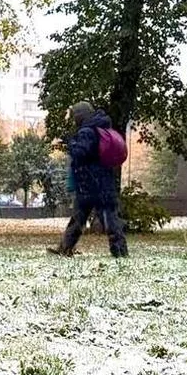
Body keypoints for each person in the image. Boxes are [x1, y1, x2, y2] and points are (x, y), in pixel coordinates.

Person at [48, 102, 128, 258]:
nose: (74, 120)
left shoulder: (87, 132)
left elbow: (80, 153)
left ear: (80, 116)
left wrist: (70, 142)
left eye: (75, 116)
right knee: (99, 218)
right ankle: (119, 251)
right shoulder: (100, 128)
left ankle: (119, 252)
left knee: (99, 219)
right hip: (102, 182)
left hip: (91, 183)